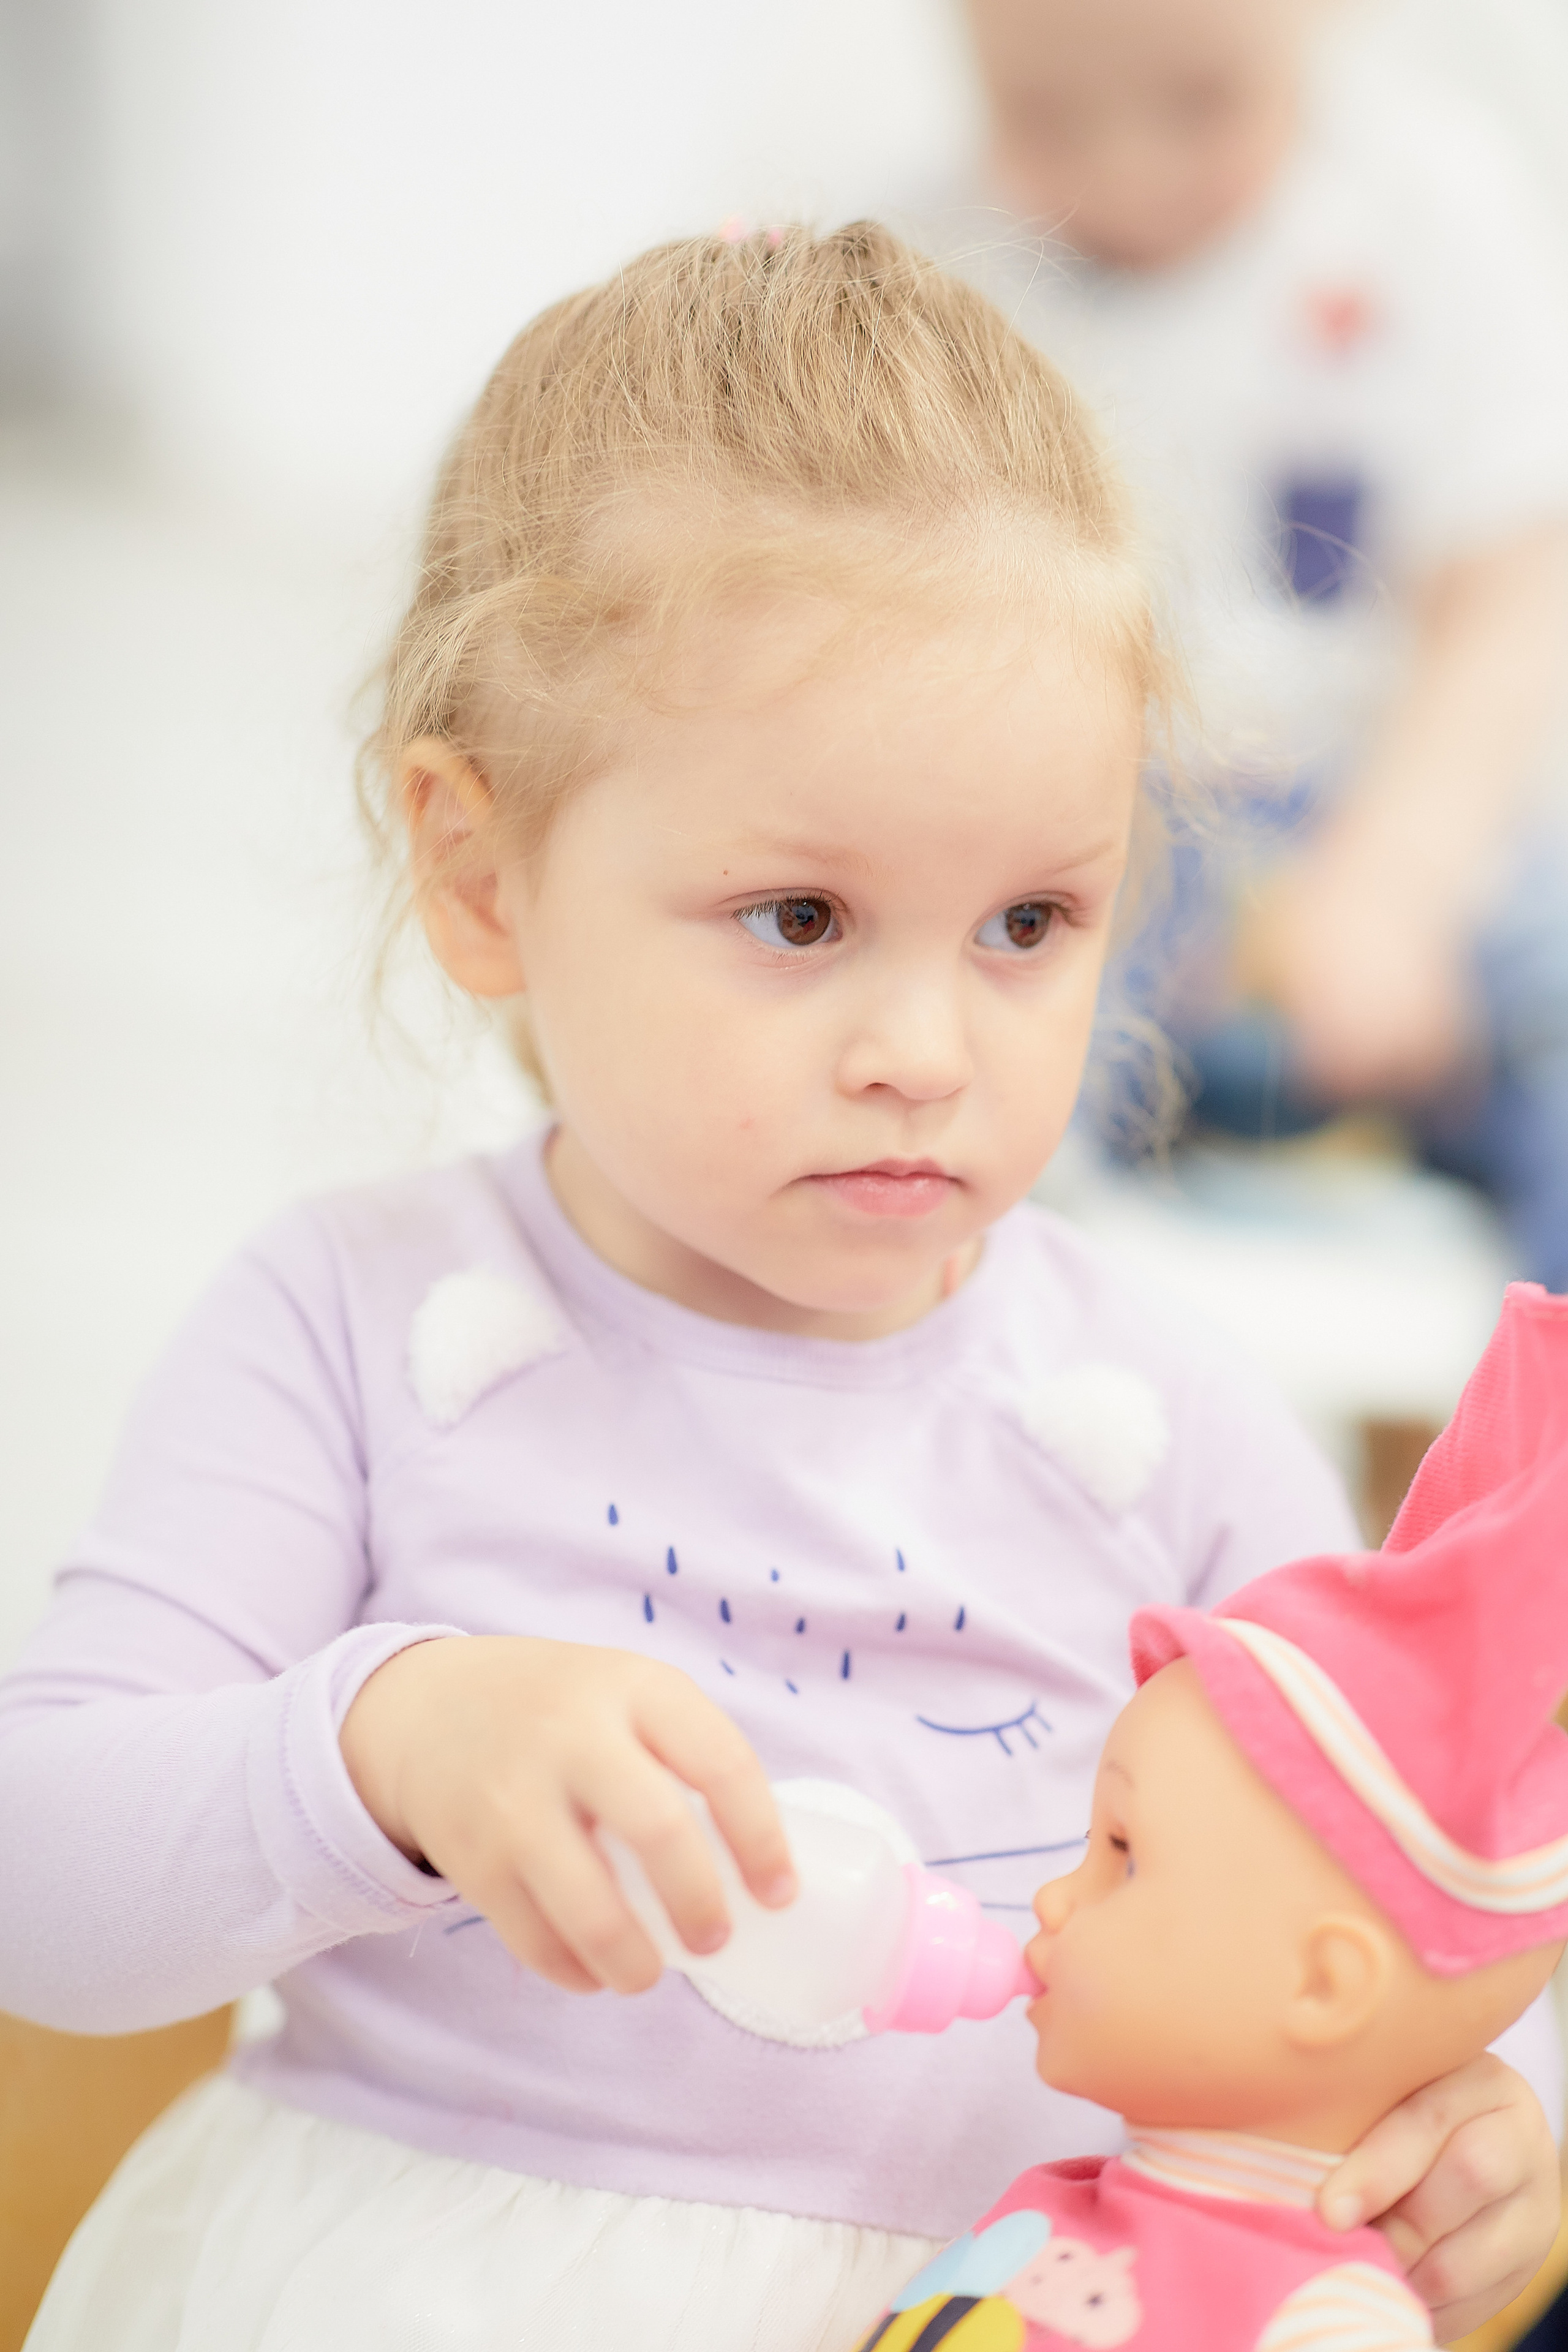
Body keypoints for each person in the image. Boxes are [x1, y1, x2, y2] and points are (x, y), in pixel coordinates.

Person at [0, 226, 1556, 2352]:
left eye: (1028, 923)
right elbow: (48, 1888)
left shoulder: (1175, 1424)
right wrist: (387, 1741)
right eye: (802, 917)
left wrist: (1478, 2125)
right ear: (479, 871)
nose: (926, 1046)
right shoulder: (355, 1322)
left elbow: (1405, 1904)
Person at [916, 0, 1568, 1270]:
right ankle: (997, 1327)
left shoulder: (1427, 208)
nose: (1127, 169)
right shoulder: (937, 271)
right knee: (971, 1033)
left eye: (1203, 103)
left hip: (1395, 799)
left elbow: (1504, 601)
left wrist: (1397, 875)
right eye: (1038, 116)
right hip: (1098, 819)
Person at [853, 1283, 1568, 2350]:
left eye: (1124, 1856)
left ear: (1325, 1983)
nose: (1054, 1898)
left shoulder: (1327, 2323)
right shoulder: (1049, 2211)